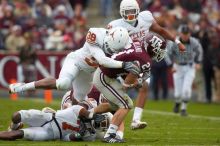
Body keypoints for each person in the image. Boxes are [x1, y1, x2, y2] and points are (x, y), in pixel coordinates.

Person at [107, 0, 185, 129]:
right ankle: (101, 115)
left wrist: (177, 42)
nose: (131, 15)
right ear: (121, 12)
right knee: (116, 93)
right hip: (122, 61)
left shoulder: (146, 18)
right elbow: (108, 44)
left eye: (133, 12)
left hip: (141, 59)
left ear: (138, 10)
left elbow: (160, 30)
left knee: (144, 87)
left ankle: (136, 120)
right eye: (128, 12)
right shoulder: (115, 25)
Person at [9, 27, 140, 102]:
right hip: (76, 62)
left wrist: (136, 78)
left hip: (88, 73)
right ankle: (23, 87)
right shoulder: (95, 33)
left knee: (79, 100)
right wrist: (124, 65)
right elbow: (102, 60)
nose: (110, 51)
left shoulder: (124, 45)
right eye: (109, 47)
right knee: (63, 84)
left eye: (113, 50)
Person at [92, 33, 167, 143]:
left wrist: (134, 80)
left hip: (106, 74)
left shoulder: (137, 44)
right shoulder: (144, 59)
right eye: (159, 50)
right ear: (153, 48)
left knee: (114, 106)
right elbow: (128, 82)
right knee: (126, 104)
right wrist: (136, 82)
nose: (160, 53)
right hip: (104, 76)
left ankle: (87, 114)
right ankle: (110, 135)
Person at [0, 103, 106, 141]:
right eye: (103, 121)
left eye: (103, 125)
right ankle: (14, 126)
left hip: (50, 134)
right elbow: (83, 111)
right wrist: (92, 116)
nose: (100, 123)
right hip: (48, 118)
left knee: (17, 135)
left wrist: (79, 134)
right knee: (16, 116)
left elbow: (66, 139)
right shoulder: (79, 110)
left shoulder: (90, 135)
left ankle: (14, 130)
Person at [167, 24, 203, 116]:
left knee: (186, 90)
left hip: (189, 67)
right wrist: (171, 66)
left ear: (189, 34)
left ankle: (183, 108)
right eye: (184, 33)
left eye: (187, 34)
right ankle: (177, 102)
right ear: (180, 34)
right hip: (177, 67)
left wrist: (198, 62)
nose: (185, 35)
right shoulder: (175, 42)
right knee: (178, 94)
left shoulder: (194, 41)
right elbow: (166, 54)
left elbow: (199, 51)